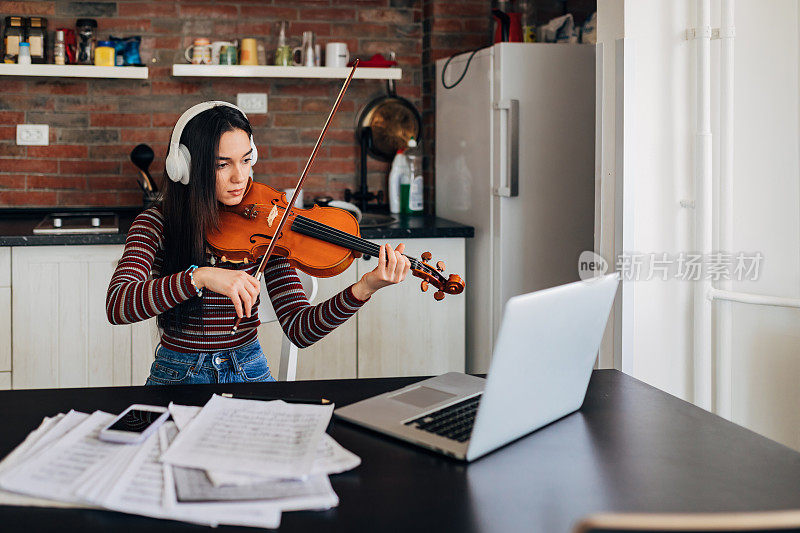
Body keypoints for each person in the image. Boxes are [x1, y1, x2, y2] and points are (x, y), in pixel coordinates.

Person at [106, 101, 411, 385]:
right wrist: (201, 276)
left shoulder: (268, 223)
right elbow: (118, 305)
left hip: (250, 371)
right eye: (222, 164)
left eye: (246, 160)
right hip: (177, 375)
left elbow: (300, 329)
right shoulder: (156, 223)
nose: (240, 177)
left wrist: (365, 288)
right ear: (185, 167)